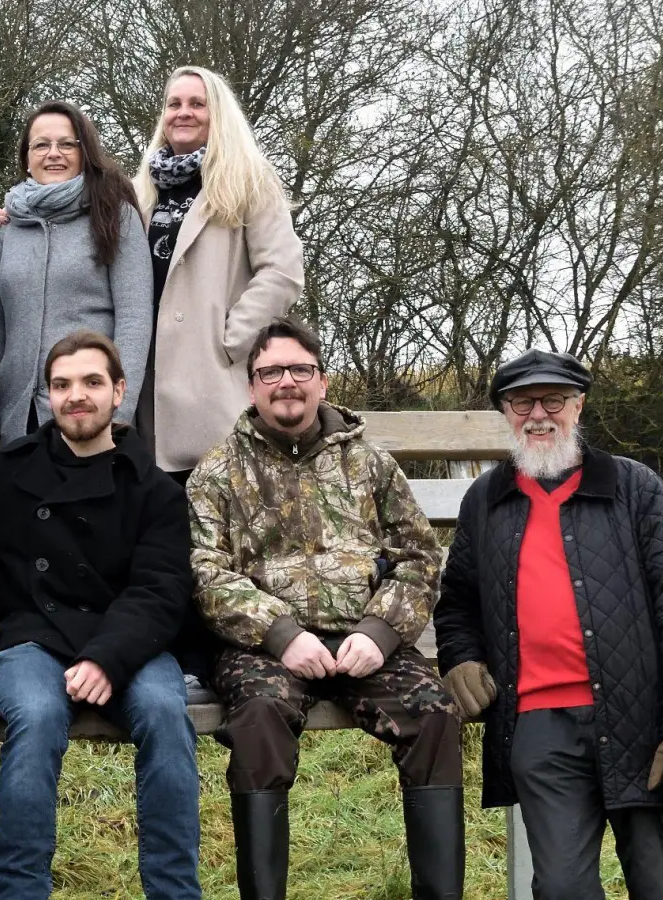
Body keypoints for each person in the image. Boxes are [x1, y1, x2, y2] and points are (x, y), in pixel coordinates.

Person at [189, 319, 460, 899]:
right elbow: (204, 574)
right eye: (270, 372)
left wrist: (380, 632)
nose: (286, 382)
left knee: (435, 713)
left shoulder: (370, 464)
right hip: (264, 651)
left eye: (299, 370)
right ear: (252, 386)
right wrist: (280, 633)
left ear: (323, 380)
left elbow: (418, 556)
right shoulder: (216, 472)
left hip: (368, 644)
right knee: (259, 718)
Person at [434, 350, 663, 900]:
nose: (538, 414)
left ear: (578, 406)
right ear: (505, 412)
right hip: (540, 730)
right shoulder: (485, 501)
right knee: (562, 888)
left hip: (645, 722)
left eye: (554, 400)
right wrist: (460, 656)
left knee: (662, 887)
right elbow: (457, 604)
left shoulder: (635, 488)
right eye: (521, 402)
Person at [0, 330, 201, 900]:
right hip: (31, 638)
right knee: (38, 715)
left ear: (119, 391)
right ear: (47, 395)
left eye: (92, 382)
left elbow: (160, 589)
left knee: (166, 712)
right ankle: (20, 890)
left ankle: (174, 891)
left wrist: (106, 657)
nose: (77, 396)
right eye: (62, 385)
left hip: (131, 643)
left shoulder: (155, 489)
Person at [133, 66, 304, 484]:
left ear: (218, 114)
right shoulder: (141, 190)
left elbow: (282, 270)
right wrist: (13, 218)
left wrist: (229, 341)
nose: (183, 112)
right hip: (145, 384)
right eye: (174, 104)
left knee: (215, 509)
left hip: (207, 382)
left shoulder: (248, 179)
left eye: (197, 103)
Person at [0, 101, 150, 447]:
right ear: (26, 157)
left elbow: (135, 318)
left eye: (67, 144)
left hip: (92, 415)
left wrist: (118, 411)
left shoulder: (116, 216)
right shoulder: (6, 228)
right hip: (17, 419)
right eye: (41, 145)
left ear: (85, 152)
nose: (53, 153)